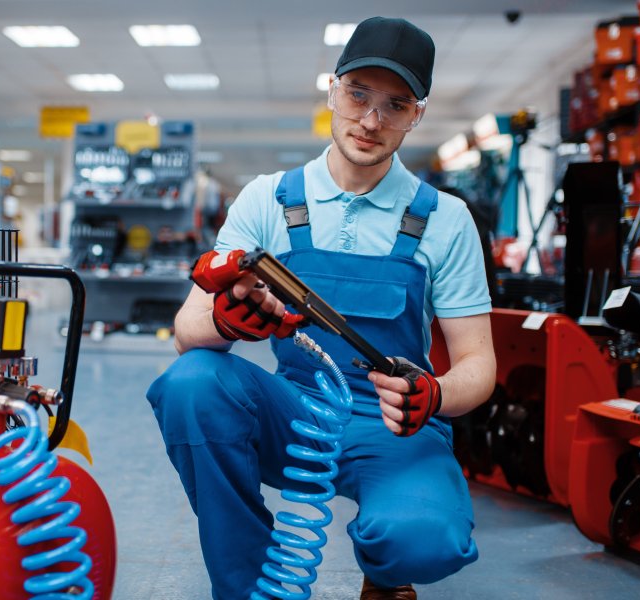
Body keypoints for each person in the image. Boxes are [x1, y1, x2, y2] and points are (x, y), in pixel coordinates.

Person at [146, 16, 496, 600]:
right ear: (332, 90)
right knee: (192, 381)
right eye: (358, 93)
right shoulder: (268, 199)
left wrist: (433, 394)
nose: (371, 119)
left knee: (426, 540)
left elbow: (478, 364)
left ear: (417, 115)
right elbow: (186, 330)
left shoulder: (445, 219)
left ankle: (385, 578)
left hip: (392, 424)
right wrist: (225, 321)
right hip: (294, 413)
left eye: (396, 104)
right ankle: (248, 587)